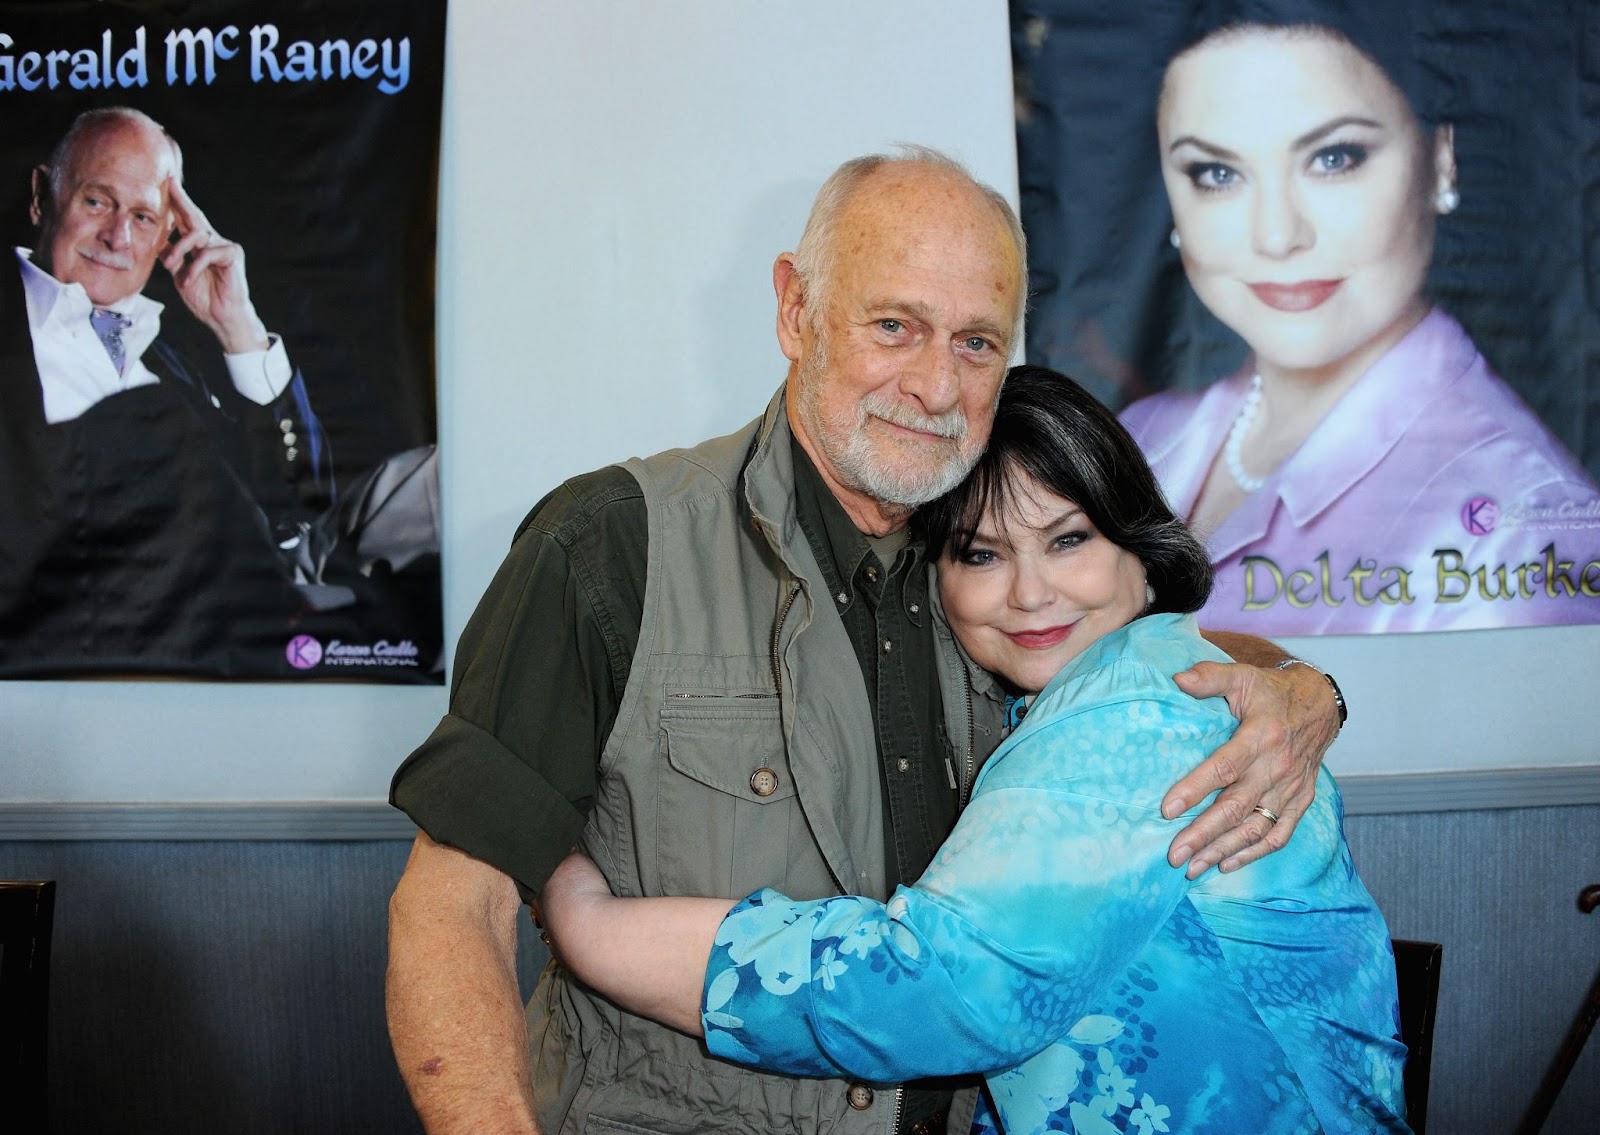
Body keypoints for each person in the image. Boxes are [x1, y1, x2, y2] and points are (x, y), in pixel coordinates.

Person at [385, 148, 1347, 1135]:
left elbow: (1135, 656)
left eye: (977, 343)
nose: (935, 385)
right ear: (795, 310)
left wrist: (1300, 685)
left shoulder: (981, 573)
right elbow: (451, 906)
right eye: (895, 326)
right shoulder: (608, 548)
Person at [537, 365, 1406, 1134]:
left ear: (1139, 549)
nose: (1031, 592)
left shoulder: (1141, 706)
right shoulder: (1097, 682)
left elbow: (941, 990)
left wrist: (593, 930)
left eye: (1069, 540)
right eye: (982, 553)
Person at [1119, 14, 1600, 634]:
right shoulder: (1139, 438)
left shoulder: (1524, 529)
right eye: (1217, 173)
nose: (1276, 235)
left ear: (1442, 161)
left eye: (1334, 158)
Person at [0, 105, 332, 677]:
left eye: (145, 218)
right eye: (96, 201)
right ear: (40, 196)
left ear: (168, 237)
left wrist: (237, 327)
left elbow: (304, 502)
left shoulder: (171, 355)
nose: (117, 237)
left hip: (241, 630)